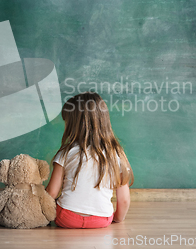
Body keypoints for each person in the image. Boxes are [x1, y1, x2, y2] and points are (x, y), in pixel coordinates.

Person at [45, 91, 134, 229]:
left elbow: (52, 192)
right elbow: (124, 200)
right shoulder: (116, 154)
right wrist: (116, 218)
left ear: (74, 125)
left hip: (66, 218)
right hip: (102, 219)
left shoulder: (66, 152)